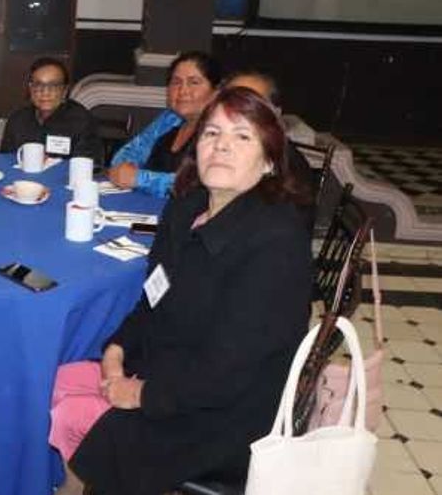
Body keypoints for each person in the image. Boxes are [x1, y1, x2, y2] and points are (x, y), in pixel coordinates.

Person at [49, 87, 312, 495]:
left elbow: (229, 370)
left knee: (93, 422)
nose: (222, 146)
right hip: (170, 367)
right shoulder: (187, 209)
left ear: (269, 161)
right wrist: (117, 348)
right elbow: (152, 298)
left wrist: (141, 394)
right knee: (57, 382)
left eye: (242, 136)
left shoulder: (276, 242)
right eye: (211, 134)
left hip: (224, 416)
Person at [108, 51, 221, 197]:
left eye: (194, 82)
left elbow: (202, 185)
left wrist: (140, 179)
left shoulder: (221, 132)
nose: (183, 91)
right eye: (176, 82)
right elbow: (127, 154)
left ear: (215, 92)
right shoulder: (170, 119)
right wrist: (125, 170)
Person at [222, 69, 316, 227]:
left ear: (276, 114)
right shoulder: (220, 150)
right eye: (230, 102)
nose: (238, 112)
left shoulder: (288, 167)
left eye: (252, 104)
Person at [0, 57, 99, 159]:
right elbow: (4, 161)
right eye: (38, 85)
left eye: (53, 86)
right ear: (30, 89)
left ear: (64, 91)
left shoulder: (82, 122)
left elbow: (90, 167)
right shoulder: (17, 120)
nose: (45, 92)